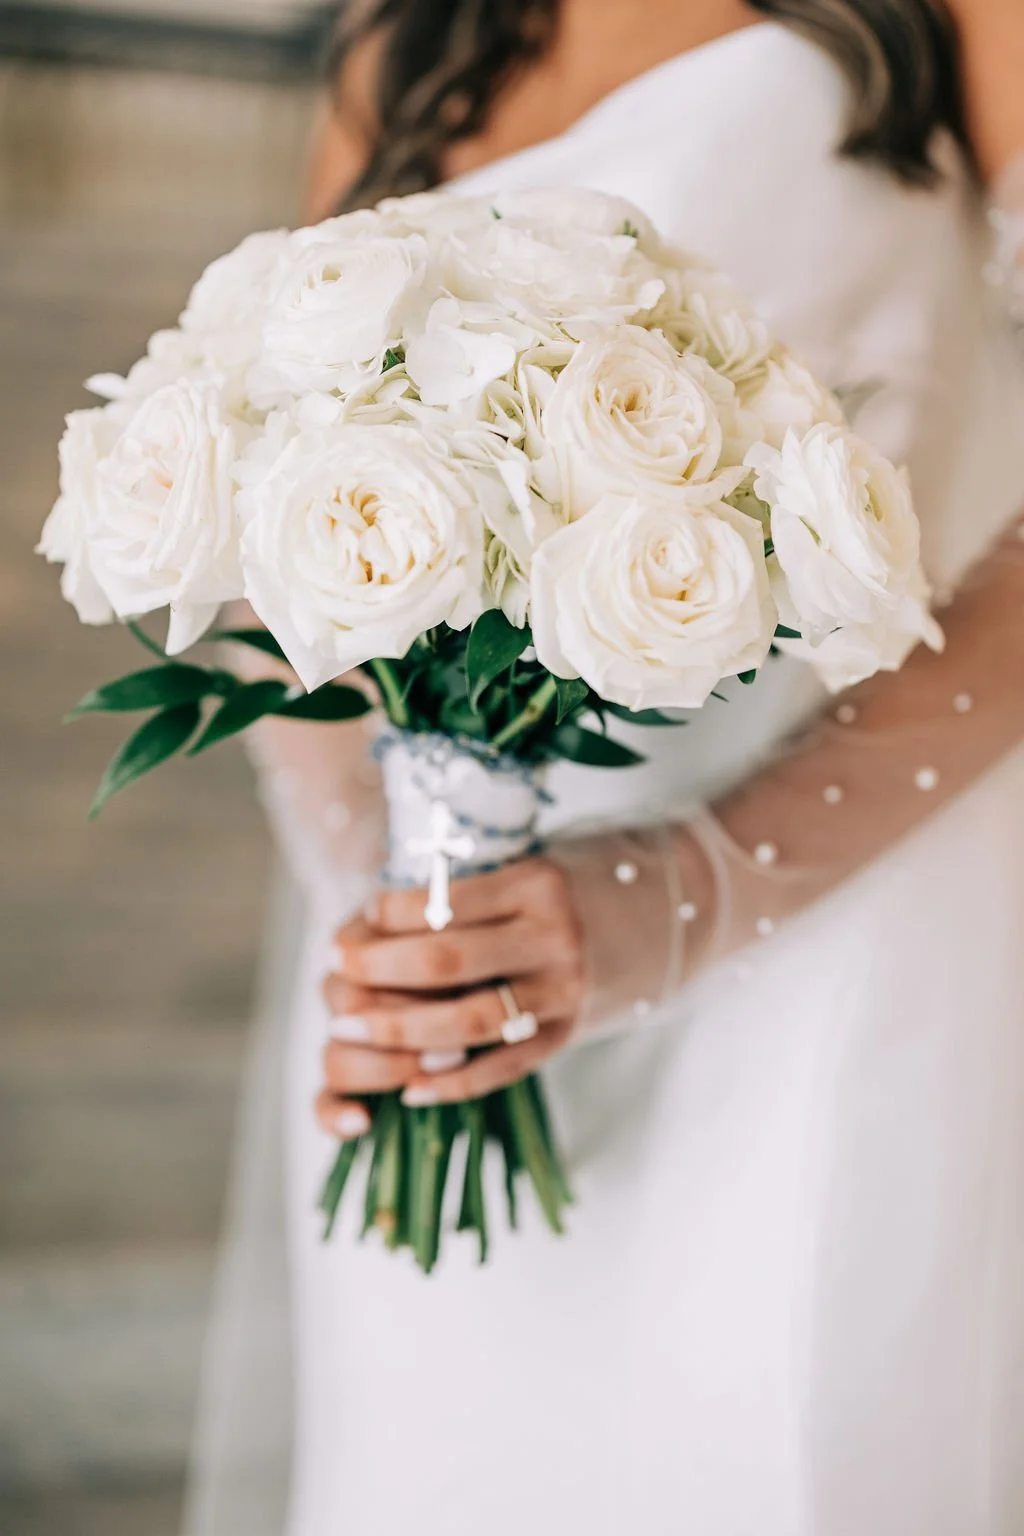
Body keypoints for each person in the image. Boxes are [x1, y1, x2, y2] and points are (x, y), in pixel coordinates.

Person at [186, 3, 1024, 1532]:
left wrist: (684, 892)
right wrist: (401, 912)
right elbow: (266, 504)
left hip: (830, 929)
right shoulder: (408, 50)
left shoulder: (957, 22)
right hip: (449, 970)